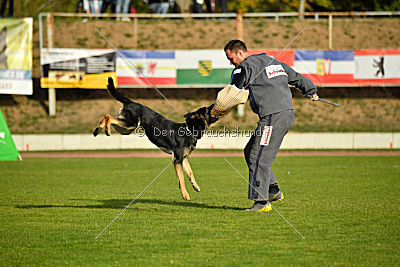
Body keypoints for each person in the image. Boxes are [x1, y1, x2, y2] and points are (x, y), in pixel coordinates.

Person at [224, 40, 319, 212]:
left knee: (259, 157)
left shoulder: (246, 65)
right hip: (285, 114)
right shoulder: (273, 62)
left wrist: (224, 101)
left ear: (240, 53)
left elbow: (236, 83)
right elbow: (296, 77)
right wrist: (310, 90)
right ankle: (273, 190)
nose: (231, 63)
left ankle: (261, 202)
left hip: (273, 117)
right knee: (251, 150)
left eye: (231, 58)